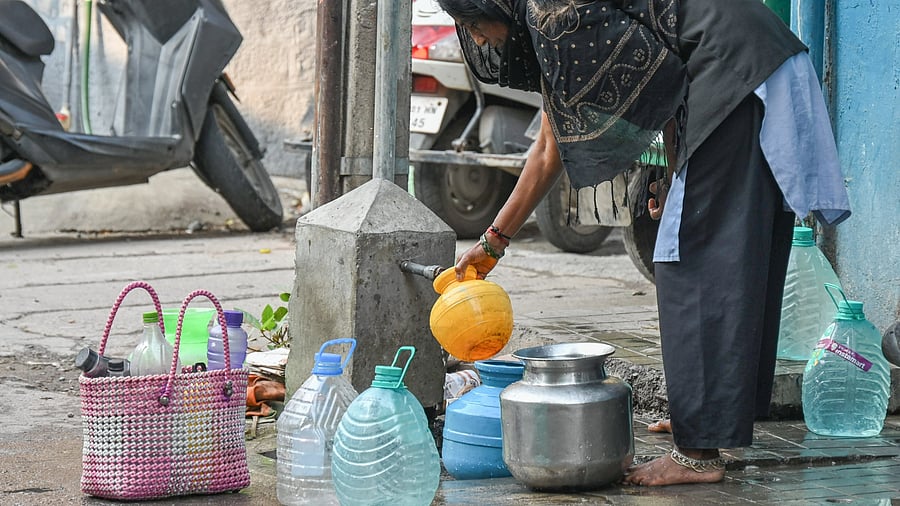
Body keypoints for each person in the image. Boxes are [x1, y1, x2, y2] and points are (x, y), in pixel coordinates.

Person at [439, 0, 851, 487]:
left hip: (736, 71)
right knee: (736, 253)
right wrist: (676, 172)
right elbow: (667, 74)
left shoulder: (555, 17)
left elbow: (551, 147)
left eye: (472, 25)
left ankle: (697, 454)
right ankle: (710, 420)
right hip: (751, 64)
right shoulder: (552, 12)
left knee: (693, 259)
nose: (480, 41)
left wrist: (494, 242)